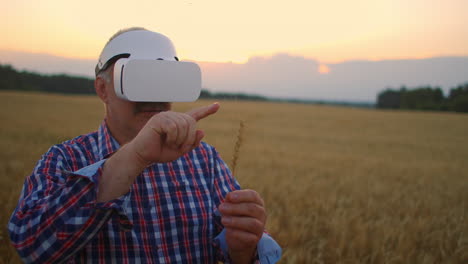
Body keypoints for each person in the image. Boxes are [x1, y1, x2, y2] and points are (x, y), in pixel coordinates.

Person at [8, 28, 281, 263]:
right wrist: (135, 156)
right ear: (102, 89)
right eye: (137, 80)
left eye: (163, 79)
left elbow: (235, 245)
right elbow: (32, 249)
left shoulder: (203, 158)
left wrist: (242, 249)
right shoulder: (65, 160)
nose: (153, 96)